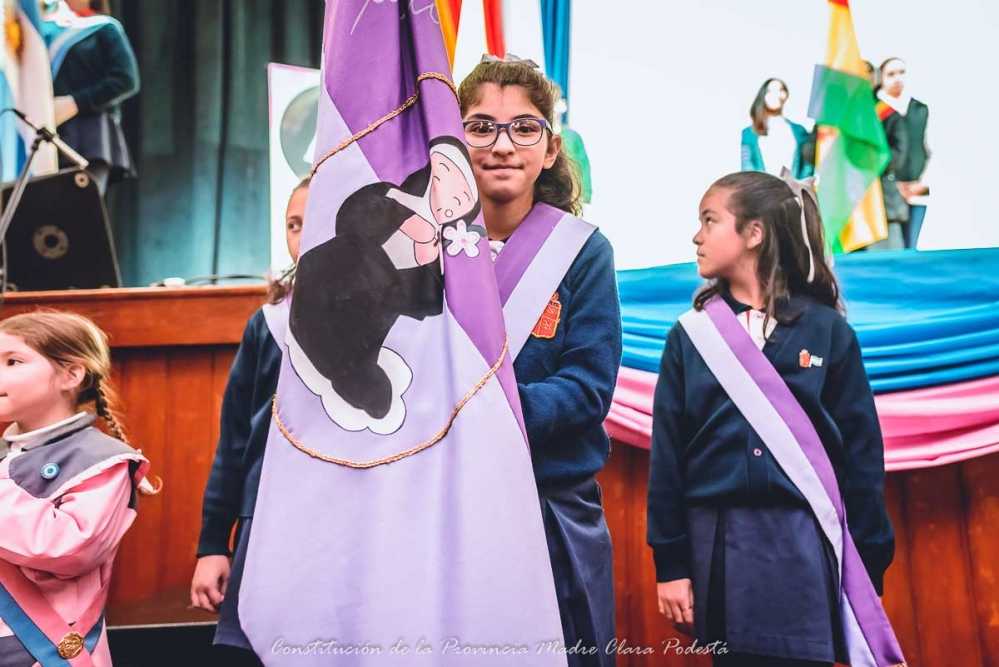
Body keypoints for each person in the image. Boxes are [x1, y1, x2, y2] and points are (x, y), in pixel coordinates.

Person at [647, 171, 899, 666]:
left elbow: (862, 458)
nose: (697, 236)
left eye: (710, 221)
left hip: (806, 545)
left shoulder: (829, 332)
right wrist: (671, 565)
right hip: (718, 545)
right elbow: (668, 459)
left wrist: (866, 566)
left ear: (754, 233)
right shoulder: (690, 337)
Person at [458, 57, 622, 666]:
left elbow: (587, 386)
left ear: (551, 149)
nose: (502, 145)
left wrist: (485, 411)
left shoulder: (582, 252)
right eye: (481, 127)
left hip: (550, 508)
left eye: (524, 128)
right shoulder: (421, 249)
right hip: (445, 506)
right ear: (453, 141)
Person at [190, 178, 309, 666]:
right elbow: (236, 439)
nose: (303, 235)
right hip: (265, 522)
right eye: (294, 225)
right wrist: (213, 544)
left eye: (318, 221)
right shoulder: (269, 323)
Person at [0, 311, 154, 666]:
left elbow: (69, 547)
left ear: (71, 375)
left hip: (44, 648)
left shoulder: (102, 461)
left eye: (13, 361)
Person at [40, 0, 139, 196]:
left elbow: (126, 80)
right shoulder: (38, 29)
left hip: (88, 138)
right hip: (41, 136)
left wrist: (74, 103)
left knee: (77, 211)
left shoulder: (103, 28)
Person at [878, 58, 930, 249]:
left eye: (901, 72)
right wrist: (893, 186)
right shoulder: (876, 111)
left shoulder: (920, 110)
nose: (897, 78)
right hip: (885, 197)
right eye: (891, 74)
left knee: (911, 247)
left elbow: (930, 149)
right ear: (881, 78)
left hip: (916, 192)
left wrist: (922, 184)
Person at [740, 78, 813, 180]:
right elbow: (747, 170)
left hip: (792, 190)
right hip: (761, 189)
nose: (776, 95)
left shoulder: (799, 131)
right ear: (763, 95)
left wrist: (801, 187)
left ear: (786, 94)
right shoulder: (749, 133)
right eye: (771, 91)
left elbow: (807, 167)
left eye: (781, 90)